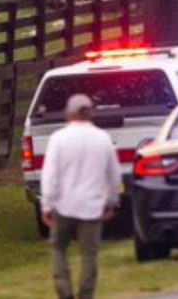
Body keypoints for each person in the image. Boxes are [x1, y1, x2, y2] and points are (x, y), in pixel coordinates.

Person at [40, 94, 120, 299]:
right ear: (90, 113)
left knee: (58, 247)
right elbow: (113, 174)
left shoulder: (58, 138)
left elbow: (50, 175)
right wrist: (111, 200)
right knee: (89, 253)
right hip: (91, 207)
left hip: (63, 205)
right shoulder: (102, 138)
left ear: (69, 113)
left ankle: (64, 290)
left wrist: (47, 204)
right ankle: (86, 293)